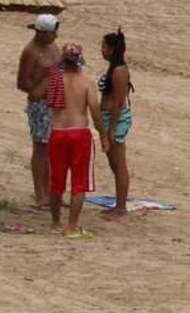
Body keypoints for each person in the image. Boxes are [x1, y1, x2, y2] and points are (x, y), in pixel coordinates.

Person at [34, 43, 108, 240]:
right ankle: (72, 225)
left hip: (57, 133)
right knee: (79, 183)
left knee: (56, 181)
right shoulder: (86, 81)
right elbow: (94, 110)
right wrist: (103, 135)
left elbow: (36, 95)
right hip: (79, 133)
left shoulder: (54, 80)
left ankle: (56, 222)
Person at [16, 14, 61, 209]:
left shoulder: (52, 47)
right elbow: (22, 82)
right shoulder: (31, 51)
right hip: (41, 104)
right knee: (41, 148)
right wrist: (38, 90)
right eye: (52, 32)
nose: (56, 36)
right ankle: (40, 194)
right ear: (42, 33)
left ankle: (51, 191)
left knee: (53, 148)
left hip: (55, 101)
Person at [98, 29, 133, 220]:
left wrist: (110, 130)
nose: (101, 50)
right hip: (109, 118)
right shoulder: (114, 68)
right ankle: (119, 204)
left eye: (103, 46)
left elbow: (119, 102)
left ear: (111, 49)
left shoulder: (118, 71)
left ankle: (121, 207)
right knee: (114, 163)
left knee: (119, 164)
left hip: (115, 119)